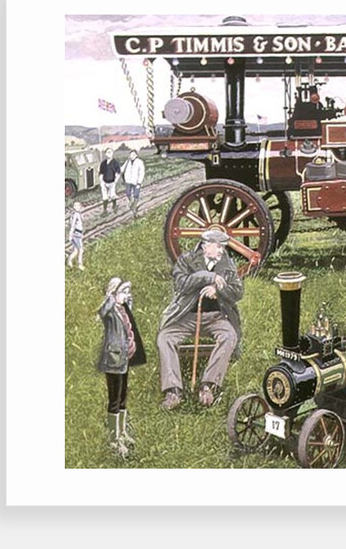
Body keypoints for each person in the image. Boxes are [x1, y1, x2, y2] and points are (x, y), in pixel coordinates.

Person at [157, 229, 244, 409]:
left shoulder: (227, 263)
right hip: (187, 317)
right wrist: (208, 277)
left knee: (229, 336)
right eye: (218, 246)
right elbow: (181, 285)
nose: (221, 251)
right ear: (205, 246)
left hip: (216, 318)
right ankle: (173, 390)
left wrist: (218, 291)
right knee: (165, 337)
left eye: (223, 247)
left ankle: (208, 385)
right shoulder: (187, 260)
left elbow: (238, 292)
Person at [97, 277, 146, 458]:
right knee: (114, 398)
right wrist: (111, 297)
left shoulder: (123, 310)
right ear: (114, 293)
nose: (126, 295)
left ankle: (122, 431)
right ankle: (114, 438)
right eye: (123, 292)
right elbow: (102, 312)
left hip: (124, 357)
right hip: (113, 357)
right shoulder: (110, 311)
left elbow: (128, 324)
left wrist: (126, 301)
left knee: (123, 396)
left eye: (127, 292)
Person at [122, 149, 145, 217]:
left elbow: (141, 173)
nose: (132, 156)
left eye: (133, 155)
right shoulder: (127, 162)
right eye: (131, 155)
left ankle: (134, 207)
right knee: (128, 193)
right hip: (128, 181)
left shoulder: (139, 162)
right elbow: (122, 169)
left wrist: (139, 182)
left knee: (136, 195)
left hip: (136, 181)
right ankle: (132, 203)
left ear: (136, 155)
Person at [98, 148, 121, 214]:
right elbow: (101, 173)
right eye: (108, 152)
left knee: (112, 195)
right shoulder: (103, 163)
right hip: (104, 182)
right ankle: (105, 210)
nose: (109, 154)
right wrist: (101, 181)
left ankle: (114, 206)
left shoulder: (115, 163)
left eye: (110, 152)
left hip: (112, 182)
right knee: (105, 197)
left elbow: (118, 173)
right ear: (105, 154)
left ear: (112, 153)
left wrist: (115, 181)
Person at [66, 201, 85, 271]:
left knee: (76, 250)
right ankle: (80, 264)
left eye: (79, 205)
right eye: (76, 206)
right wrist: (70, 234)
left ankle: (69, 261)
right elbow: (73, 225)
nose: (78, 207)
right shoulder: (75, 215)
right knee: (81, 250)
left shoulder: (78, 214)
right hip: (76, 234)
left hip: (78, 234)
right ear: (74, 207)